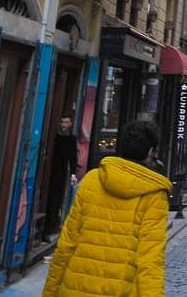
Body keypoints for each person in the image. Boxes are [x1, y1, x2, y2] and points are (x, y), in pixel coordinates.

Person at [43, 119, 170, 297]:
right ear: (150, 152)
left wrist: (50, 292)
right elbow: (150, 259)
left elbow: (66, 244)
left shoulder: (92, 179)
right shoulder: (153, 194)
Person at [45, 114, 80, 238]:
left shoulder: (71, 139)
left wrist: (73, 174)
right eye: (62, 122)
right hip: (49, 170)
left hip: (61, 171)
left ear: (70, 124)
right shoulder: (54, 137)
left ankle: (51, 225)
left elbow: (73, 158)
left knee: (56, 198)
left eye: (66, 122)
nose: (64, 125)